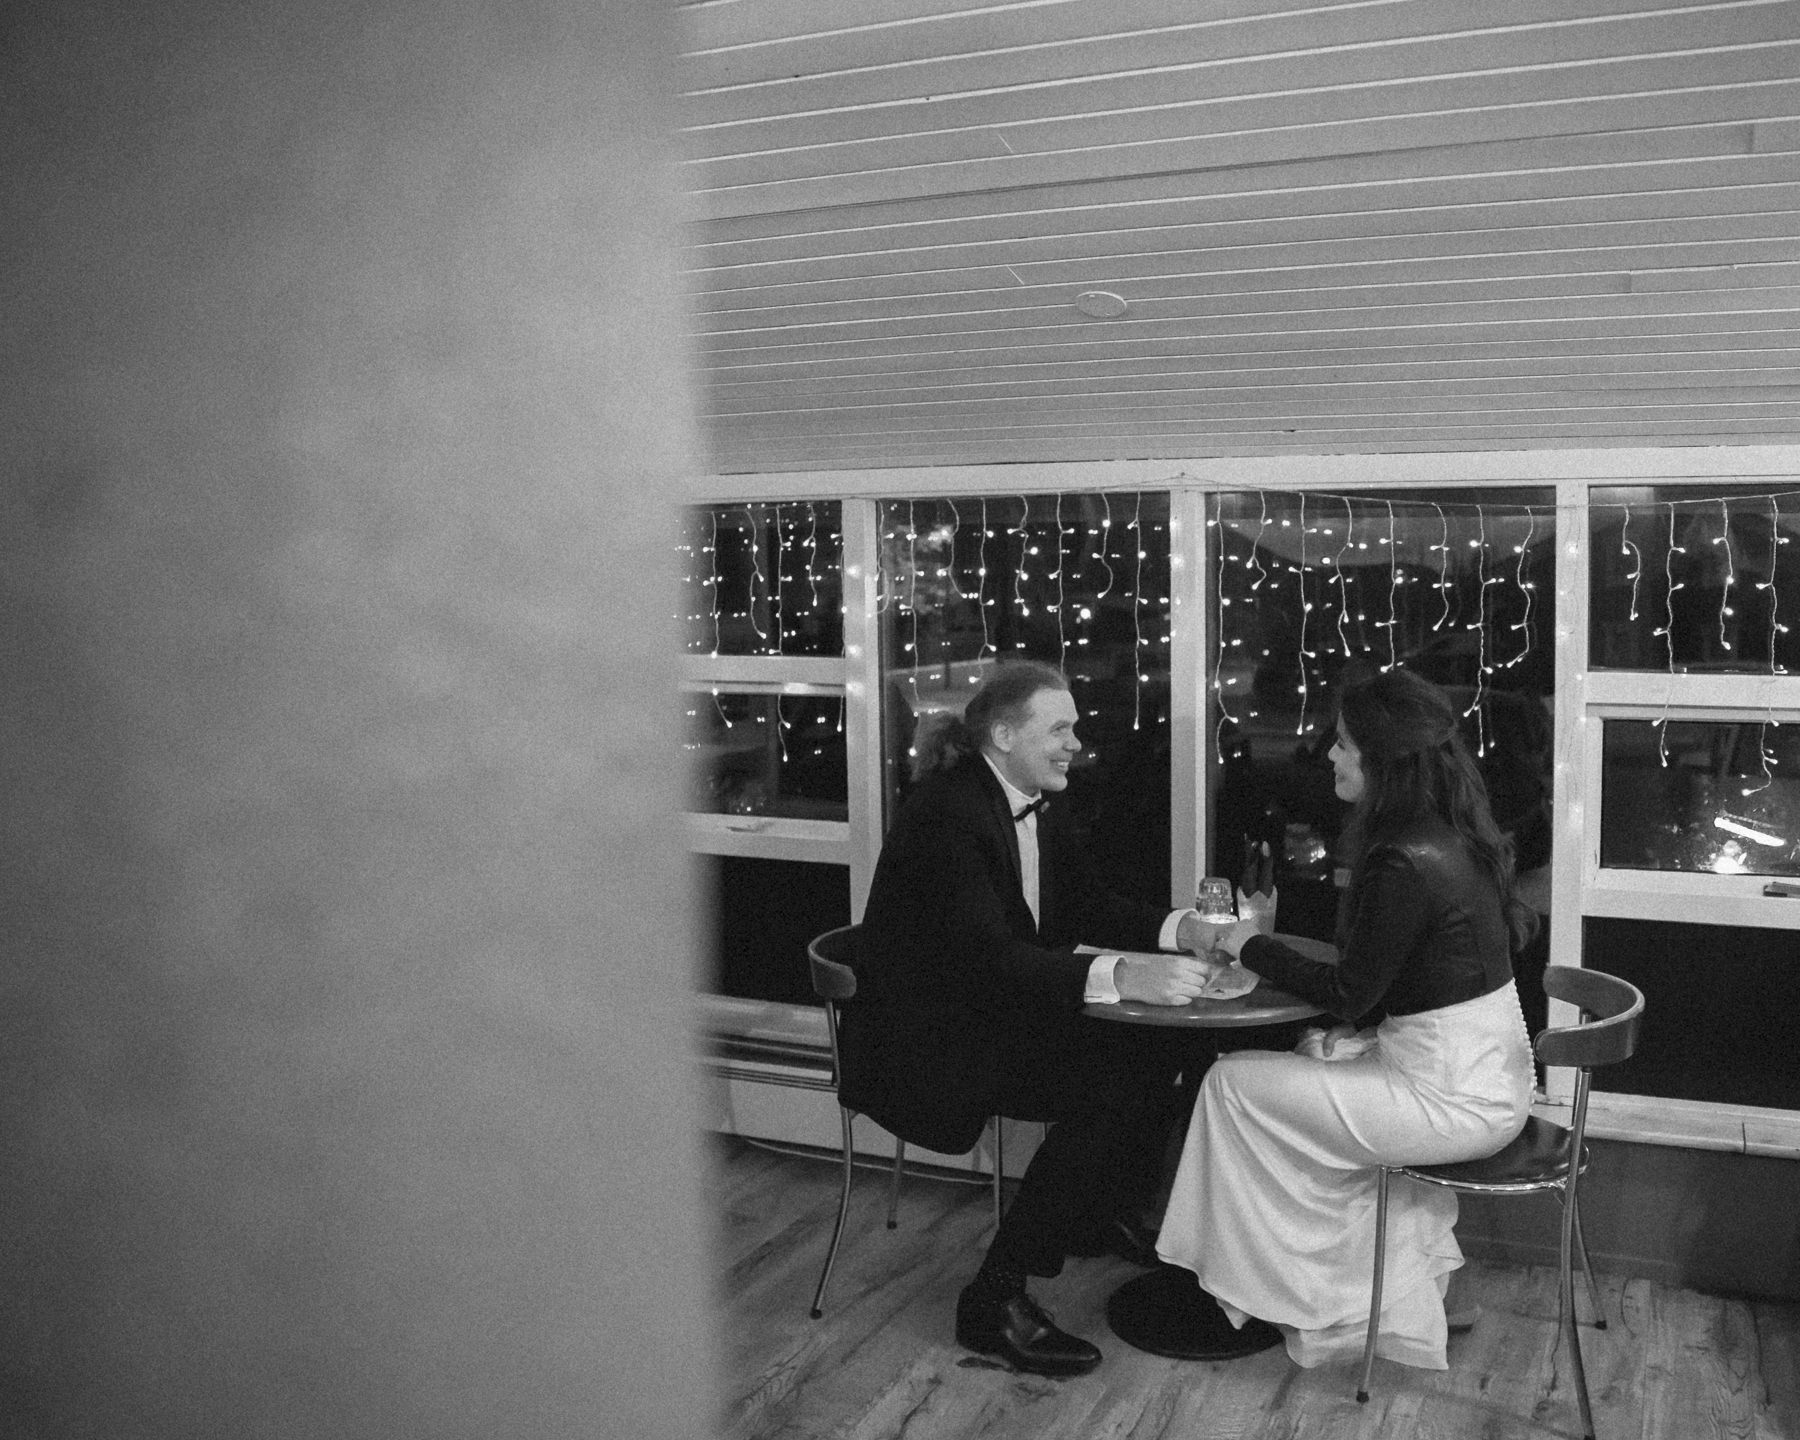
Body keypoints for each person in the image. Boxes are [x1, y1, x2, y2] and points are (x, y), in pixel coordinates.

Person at [1157, 667, 1537, 1370]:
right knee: (1309, 1055)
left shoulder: (1404, 857)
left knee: (1228, 1086)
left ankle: (1248, 1289)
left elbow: (1348, 991)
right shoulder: (1449, 834)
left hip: (1450, 1099)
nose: (1329, 756)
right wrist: (1352, 1032)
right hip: (1480, 1078)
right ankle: (1367, 1288)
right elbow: (1399, 987)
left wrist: (1245, 942)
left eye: (1342, 744)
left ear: (1382, 757)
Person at [847, 660, 1216, 1377]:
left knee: (1156, 1053)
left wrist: (1181, 930)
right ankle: (993, 1301)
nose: (1077, 741)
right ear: (1005, 733)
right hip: (928, 1041)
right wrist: (1122, 974)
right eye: (1060, 727)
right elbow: (986, 960)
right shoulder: (946, 816)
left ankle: (1088, 1210)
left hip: (988, 1014)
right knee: (1109, 1083)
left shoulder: (1031, 801)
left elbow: (1088, 906)